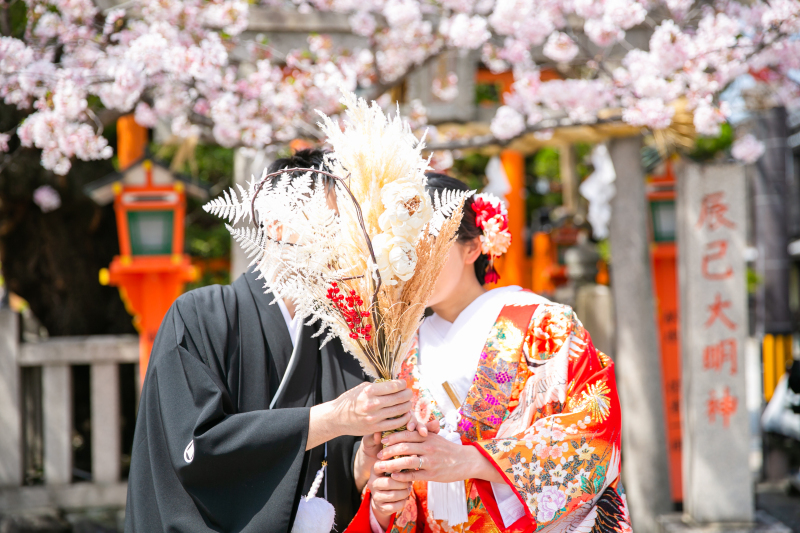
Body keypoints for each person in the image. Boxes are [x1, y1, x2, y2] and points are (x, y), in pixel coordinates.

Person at [125, 150, 413, 533]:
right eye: (330, 222)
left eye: (347, 226)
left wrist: (365, 466)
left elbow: (337, 474)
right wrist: (331, 419)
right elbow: (196, 449)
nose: (343, 242)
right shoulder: (200, 316)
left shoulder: (342, 336)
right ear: (277, 223)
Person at [347, 174, 631, 533]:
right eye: (399, 249)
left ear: (472, 247)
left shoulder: (544, 324)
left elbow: (593, 436)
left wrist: (470, 461)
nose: (412, 262)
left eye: (427, 244)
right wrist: (385, 505)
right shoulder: (399, 352)